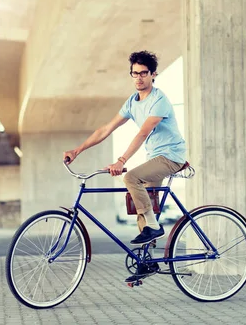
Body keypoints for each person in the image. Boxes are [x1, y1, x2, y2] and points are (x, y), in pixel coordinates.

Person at [63, 51, 187, 281]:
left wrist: (121, 161)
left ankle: (154, 228)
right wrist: (77, 150)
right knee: (143, 205)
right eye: (134, 73)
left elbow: (143, 133)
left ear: (153, 75)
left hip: (171, 156)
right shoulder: (132, 102)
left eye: (143, 73)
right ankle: (147, 262)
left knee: (131, 179)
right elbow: (106, 129)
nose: (138, 78)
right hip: (155, 158)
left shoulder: (159, 100)